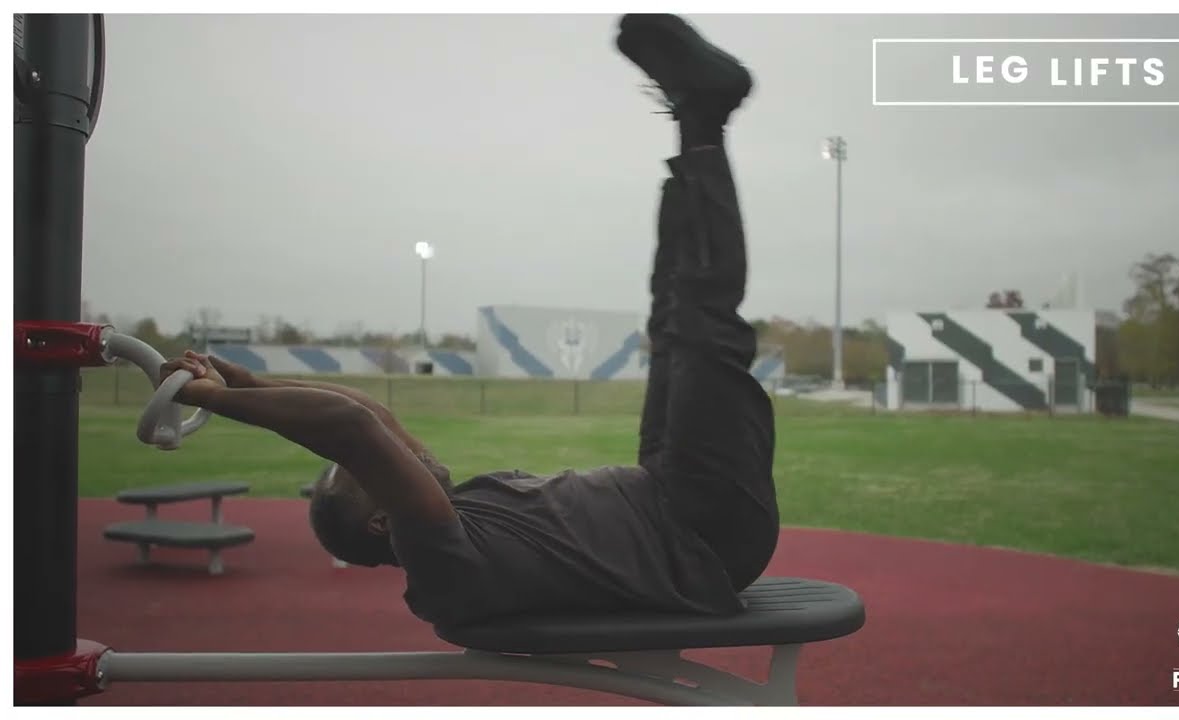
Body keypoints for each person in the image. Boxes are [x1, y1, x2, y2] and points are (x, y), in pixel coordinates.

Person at [162, 13, 778, 627]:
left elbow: (368, 414)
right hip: (702, 528)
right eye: (374, 472)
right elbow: (350, 427)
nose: (397, 451)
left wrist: (248, 382)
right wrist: (219, 405)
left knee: (673, 318)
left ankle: (694, 117)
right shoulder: (442, 564)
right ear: (383, 521)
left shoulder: (452, 515)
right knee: (703, 326)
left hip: (664, 494)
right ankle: (704, 119)